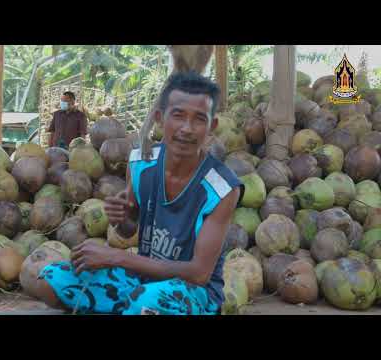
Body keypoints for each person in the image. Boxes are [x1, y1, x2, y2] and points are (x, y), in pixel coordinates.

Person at [36, 72, 244, 315]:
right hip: (143, 280)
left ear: (212, 127)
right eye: (178, 116)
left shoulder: (222, 188)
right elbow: (128, 231)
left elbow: (199, 273)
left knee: (147, 301)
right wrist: (122, 219)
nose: (187, 128)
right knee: (51, 279)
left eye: (199, 119)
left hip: (194, 293)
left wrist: (115, 257)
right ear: (159, 118)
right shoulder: (141, 163)